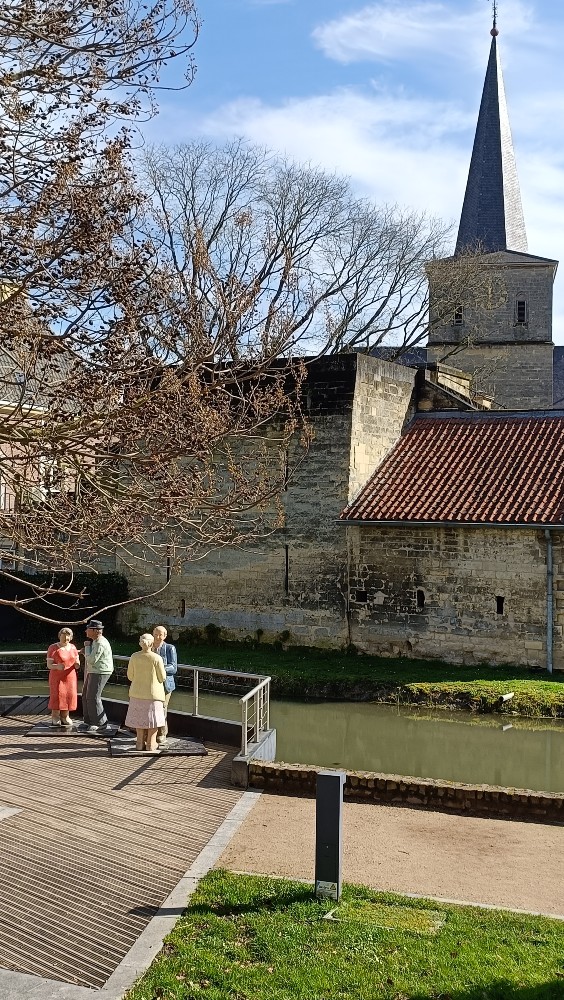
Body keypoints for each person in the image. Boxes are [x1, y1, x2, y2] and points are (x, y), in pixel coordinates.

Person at [125, 633, 166, 752]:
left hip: (137, 692)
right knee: (153, 720)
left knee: (139, 719)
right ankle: (151, 744)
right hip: (153, 694)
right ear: (152, 643)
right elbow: (162, 677)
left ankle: (139, 743)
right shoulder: (156, 658)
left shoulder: (134, 656)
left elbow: (130, 676)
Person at [81, 619, 114, 732]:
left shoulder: (100, 643)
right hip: (94, 671)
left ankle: (100, 723)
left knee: (93, 697)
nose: (86, 631)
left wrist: (86, 649)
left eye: (88, 629)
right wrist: (87, 649)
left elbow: (92, 660)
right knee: (86, 695)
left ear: (95, 631)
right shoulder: (96, 641)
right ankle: (89, 721)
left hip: (100, 672)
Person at [47, 627, 80, 727]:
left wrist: (77, 663)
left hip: (70, 677)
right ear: (59, 636)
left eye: (68, 636)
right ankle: (55, 716)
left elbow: (76, 660)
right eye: (64, 635)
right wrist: (57, 666)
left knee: (69, 696)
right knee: (57, 695)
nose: (66, 638)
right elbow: (49, 665)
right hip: (57, 677)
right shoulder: (53, 648)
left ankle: (65, 716)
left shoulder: (73, 647)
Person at [152, 625, 177, 745]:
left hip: (165, 684)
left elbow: (173, 667)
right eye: (155, 634)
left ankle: (162, 733)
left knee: (162, 708)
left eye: (160, 634)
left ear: (165, 636)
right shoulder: (148, 647)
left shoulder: (169, 648)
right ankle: (150, 732)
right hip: (150, 683)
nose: (157, 637)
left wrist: (160, 668)